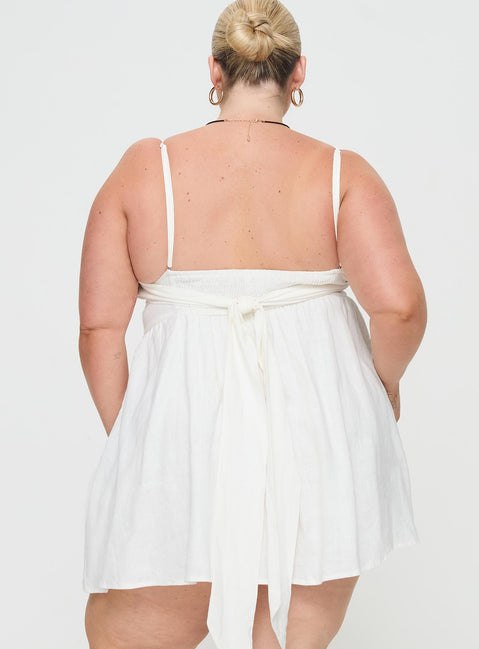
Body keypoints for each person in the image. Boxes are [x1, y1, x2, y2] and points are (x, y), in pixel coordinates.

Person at [78, 1, 427, 648]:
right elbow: (399, 307)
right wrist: (384, 386)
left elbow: (99, 331)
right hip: (319, 433)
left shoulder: (144, 168)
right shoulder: (340, 173)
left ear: (215, 70)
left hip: (184, 433)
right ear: (298, 74)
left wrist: (142, 446)